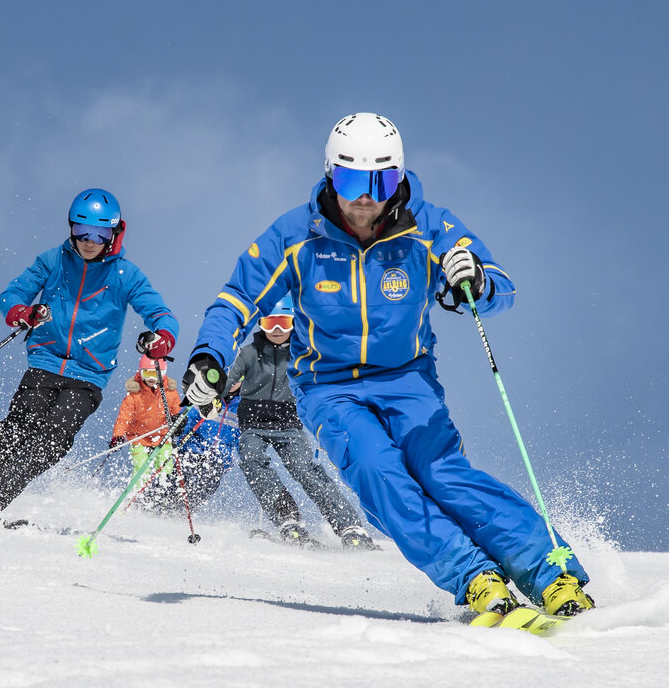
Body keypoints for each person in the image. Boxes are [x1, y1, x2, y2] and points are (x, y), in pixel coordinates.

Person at [179, 113, 595, 620]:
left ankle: (553, 575)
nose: (365, 196)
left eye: (381, 180)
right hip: (328, 387)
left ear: (398, 177)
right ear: (330, 176)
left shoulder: (428, 226)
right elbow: (237, 298)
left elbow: (501, 285)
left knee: (443, 474)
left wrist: (476, 279)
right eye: (352, 180)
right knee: (379, 471)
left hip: (408, 379)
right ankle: (475, 576)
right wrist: (209, 358)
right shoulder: (296, 235)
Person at [0, 188, 179, 524]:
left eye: (100, 233)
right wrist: (21, 311)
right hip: (45, 363)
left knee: (53, 440)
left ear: (114, 233)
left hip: (87, 376)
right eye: (82, 231)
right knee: (16, 429)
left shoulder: (125, 275)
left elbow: (160, 313)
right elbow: (13, 294)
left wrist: (162, 337)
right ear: (71, 228)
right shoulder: (53, 260)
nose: (89, 241)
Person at [226, 297, 376, 549]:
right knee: (251, 459)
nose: (276, 330)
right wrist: (222, 390)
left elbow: (325, 374)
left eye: (283, 324)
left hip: (288, 425)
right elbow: (228, 383)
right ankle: (287, 519)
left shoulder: (302, 353)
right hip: (253, 424)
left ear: (293, 324)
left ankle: (350, 526)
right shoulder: (249, 353)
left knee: (304, 468)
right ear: (261, 324)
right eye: (270, 323)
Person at [132, 400, 238, 515]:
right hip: (194, 449)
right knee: (179, 480)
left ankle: (177, 515)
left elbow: (243, 439)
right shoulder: (207, 394)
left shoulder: (242, 405)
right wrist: (181, 424)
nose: (231, 382)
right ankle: (145, 504)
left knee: (204, 488)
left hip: (219, 458)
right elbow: (189, 416)